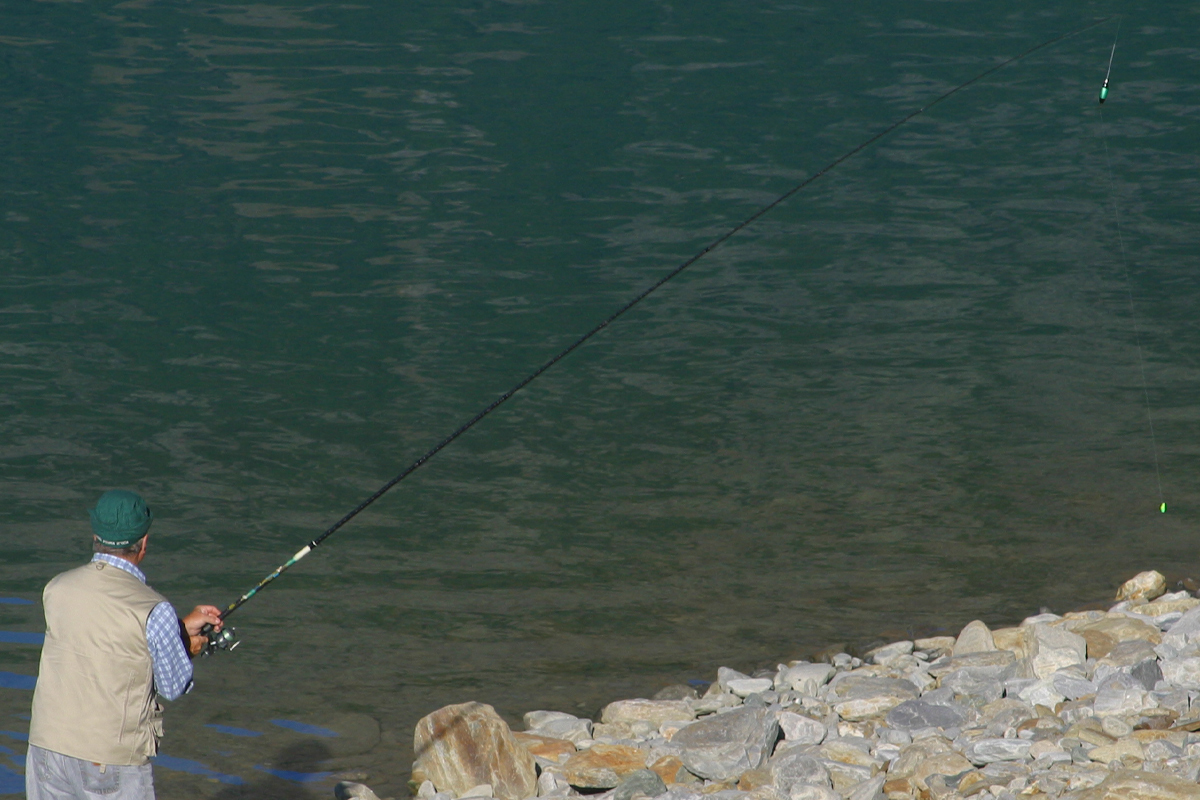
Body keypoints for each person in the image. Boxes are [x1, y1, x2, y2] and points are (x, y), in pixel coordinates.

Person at [26, 489, 225, 800]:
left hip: (46, 749)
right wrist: (187, 648)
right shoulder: (154, 609)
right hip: (109, 761)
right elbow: (173, 684)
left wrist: (179, 629)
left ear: (95, 535)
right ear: (143, 543)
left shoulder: (57, 587)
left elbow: (104, 638)